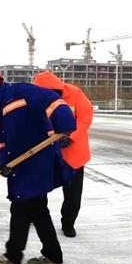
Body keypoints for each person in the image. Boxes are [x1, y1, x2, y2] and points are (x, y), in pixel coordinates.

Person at [0, 69, 76, 264]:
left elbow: (52, 99)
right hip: (19, 164)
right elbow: (0, 141)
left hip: (37, 160)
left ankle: (13, 255)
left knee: (20, 206)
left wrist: (65, 122)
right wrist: (3, 161)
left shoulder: (21, 91)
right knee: (37, 209)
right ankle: (52, 254)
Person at [33, 71, 93, 238]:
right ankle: (34, 214)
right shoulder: (34, 98)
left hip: (73, 153)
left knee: (73, 193)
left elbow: (85, 118)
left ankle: (68, 223)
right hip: (46, 151)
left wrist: (70, 136)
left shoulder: (74, 93)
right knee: (37, 187)